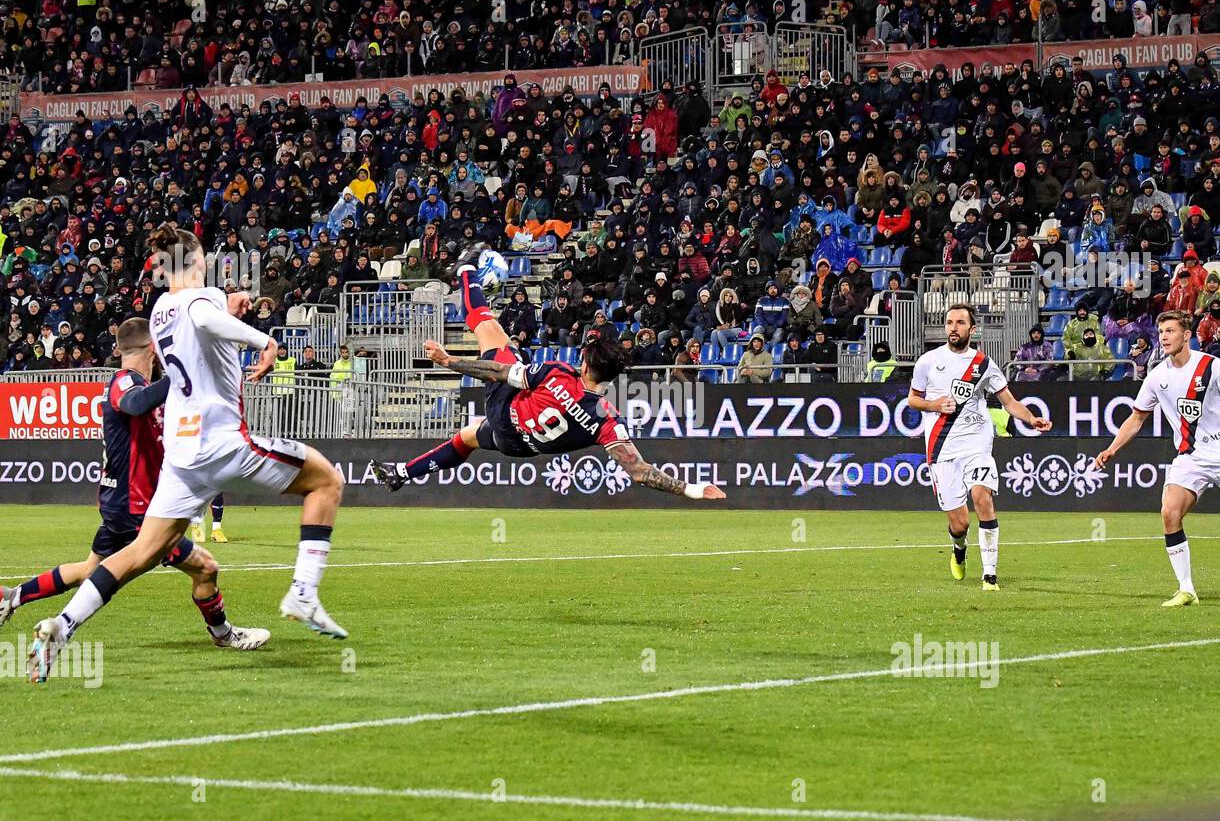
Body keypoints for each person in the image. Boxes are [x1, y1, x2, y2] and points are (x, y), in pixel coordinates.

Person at [26, 225, 349, 681]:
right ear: (198, 261)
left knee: (140, 553)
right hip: (220, 441)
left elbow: (199, 318)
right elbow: (202, 318)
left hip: (181, 456)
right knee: (326, 481)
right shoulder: (200, 301)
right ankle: (303, 592)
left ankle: (63, 624)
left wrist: (230, 303)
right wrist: (264, 341)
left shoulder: (159, 310)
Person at [4, 319, 267, 674]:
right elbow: (134, 404)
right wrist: (178, 376)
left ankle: (12, 597)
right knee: (205, 567)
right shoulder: (125, 381)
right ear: (153, 349)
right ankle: (223, 634)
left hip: (121, 503)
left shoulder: (140, 385)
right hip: (138, 507)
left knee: (89, 570)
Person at [369, 245, 726, 501]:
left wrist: (449, 361)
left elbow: (495, 372)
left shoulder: (559, 374)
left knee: (489, 328)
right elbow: (639, 471)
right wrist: (691, 489)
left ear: (584, 363)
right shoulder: (607, 418)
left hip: (505, 411)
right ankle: (401, 473)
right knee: (467, 437)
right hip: (521, 446)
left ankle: (464, 269)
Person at [1094, 310, 1220, 607]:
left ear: (1187, 335)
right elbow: (1136, 418)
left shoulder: (1212, 366)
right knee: (1169, 514)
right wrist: (1112, 448)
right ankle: (1186, 588)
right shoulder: (1157, 376)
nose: (1164, 337)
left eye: (1170, 331)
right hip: (1191, 456)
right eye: (1161, 332)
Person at [907, 304, 1052, 591]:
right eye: (949, 322)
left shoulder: (984, 365)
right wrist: (935, 405)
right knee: (959, 523)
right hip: (941, 448)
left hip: (976, 443)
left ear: (972, 329)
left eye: (960, 323)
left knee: (982, 497)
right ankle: (959, 549)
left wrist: (1031, 419)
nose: (953, 328)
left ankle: (990, 575)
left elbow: (1009, 402)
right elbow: (913, 399)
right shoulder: (927, 361)